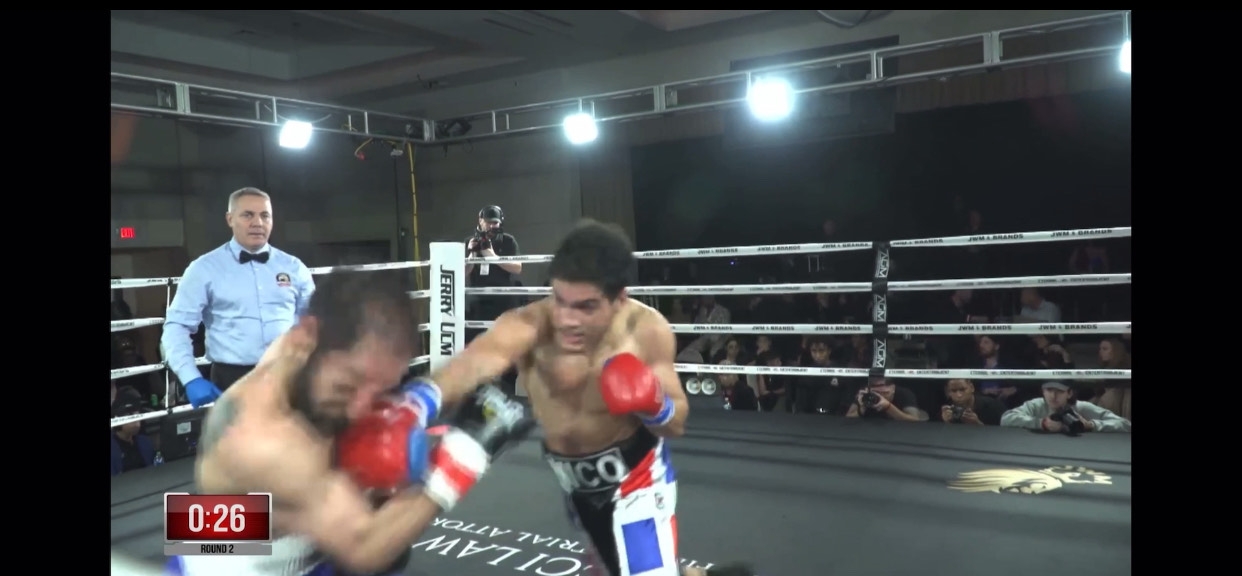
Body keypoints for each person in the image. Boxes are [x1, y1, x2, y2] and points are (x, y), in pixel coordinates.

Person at [421, 219, 753, 576]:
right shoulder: (529, 324)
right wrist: (415, 402)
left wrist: (653, 402)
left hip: (638, 482)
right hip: (577, 489)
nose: (568, 320)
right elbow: (469, 365)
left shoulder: (645, 330)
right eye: (561, 301)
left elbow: (677, 422)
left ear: (619, 298)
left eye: (586, 306)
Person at [167, 271, 535, 576]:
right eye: (348, 386)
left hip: (265, 528)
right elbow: (366, 547)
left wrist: (557, 311)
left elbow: (485, 352)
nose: (361, 408)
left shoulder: (311, 354)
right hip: (233, 560)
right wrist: (467, 451)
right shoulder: (264, 440)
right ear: (305, 337)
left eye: (382, 388)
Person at [161, 187, 316, 408]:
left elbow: (312, 323)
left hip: (289, 375)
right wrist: (190, 378)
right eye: (248, 215)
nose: (258, 223)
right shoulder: (204, 269)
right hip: (231, 379)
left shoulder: (294, 267)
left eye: (265, 215)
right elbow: (177, 326)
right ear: (230, 219)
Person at [465, 204, 522, 393]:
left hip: (504, 302)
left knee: (508, 349)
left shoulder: (508, 240)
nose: (491, 226)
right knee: (476, 349)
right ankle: (478, 393)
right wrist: (472, 254)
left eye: (495, 223)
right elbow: (462, 272)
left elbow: (518, 267)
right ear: (480, 221)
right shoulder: (470, 241)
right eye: (488, 222)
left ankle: (508, 391)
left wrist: (492, 256)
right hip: (478, 303)